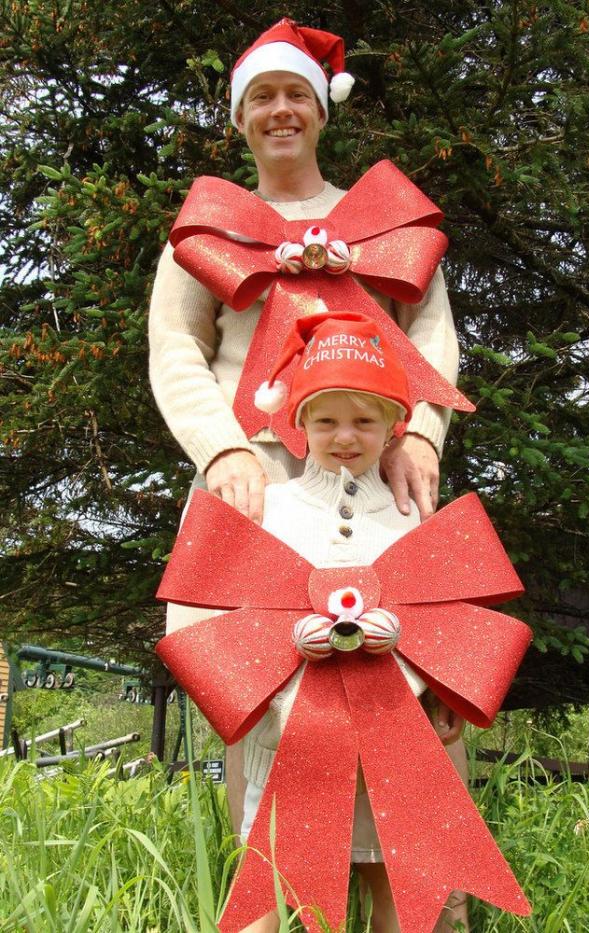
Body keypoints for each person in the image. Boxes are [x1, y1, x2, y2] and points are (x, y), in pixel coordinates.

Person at [148, 15, 463, 896]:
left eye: (296, 94)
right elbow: (175, 348)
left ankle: (418, 899)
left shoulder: (386, 220)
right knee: (256, 680)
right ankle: (275, 894)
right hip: (254, 477)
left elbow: (432, 333)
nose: (280, 110)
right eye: (262, 98)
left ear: (323, 111)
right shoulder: (207, 228)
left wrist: (421, 435)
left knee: (410, 672)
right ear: (239, 118)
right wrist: (220, 451)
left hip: (376, 471)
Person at [214, 310, 470, 932]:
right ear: (298, 423)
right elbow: (236, 628)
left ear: (395, 426)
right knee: (270, 887)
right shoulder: (269, 511)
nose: (345, 436)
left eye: (364, 420)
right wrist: (288, 643)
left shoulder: (412, 516)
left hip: (395, 749)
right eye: (326, 420)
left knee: (399, 888)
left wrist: (444, 686)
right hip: (290, 746)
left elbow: (448, 623)